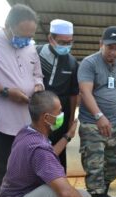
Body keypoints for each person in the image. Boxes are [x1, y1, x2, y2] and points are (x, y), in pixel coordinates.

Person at [0, 91, 116, 197]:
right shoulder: (39, 149)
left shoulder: (28, 133)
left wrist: (67, 136)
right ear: (46, 118)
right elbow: (65, 192)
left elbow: (48, 154)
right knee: (56, 195)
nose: (62, 114)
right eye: (58, 111)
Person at [0, 4, 44, 197]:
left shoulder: (30, 47)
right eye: (22, 34)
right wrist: (6, 92)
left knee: (25, 167)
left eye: (30, 36)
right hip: (1, 122)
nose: (26, 40)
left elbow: (38, 75)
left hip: (27, 122)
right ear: (7, 25)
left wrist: (37, 87)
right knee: (1, 169)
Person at [78, 26, 116, 197]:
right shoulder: (89, 63)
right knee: (95, 166)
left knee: (115, 161)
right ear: (101, 44)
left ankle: (103, 195)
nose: (114, 52)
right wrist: (99, 116)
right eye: (110, 47)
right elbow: (85, 92)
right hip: (92, 124)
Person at [37, 19, 79, 172]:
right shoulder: (36, 54)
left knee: (59, 152)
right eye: (62, 42)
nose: (66, 46)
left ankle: (60, 185)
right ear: (50, 39)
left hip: (60, 114)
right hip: (38, 113)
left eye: (69, 42)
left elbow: (74, 94)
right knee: (39, 149)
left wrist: (70, 119)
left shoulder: (72, 63)